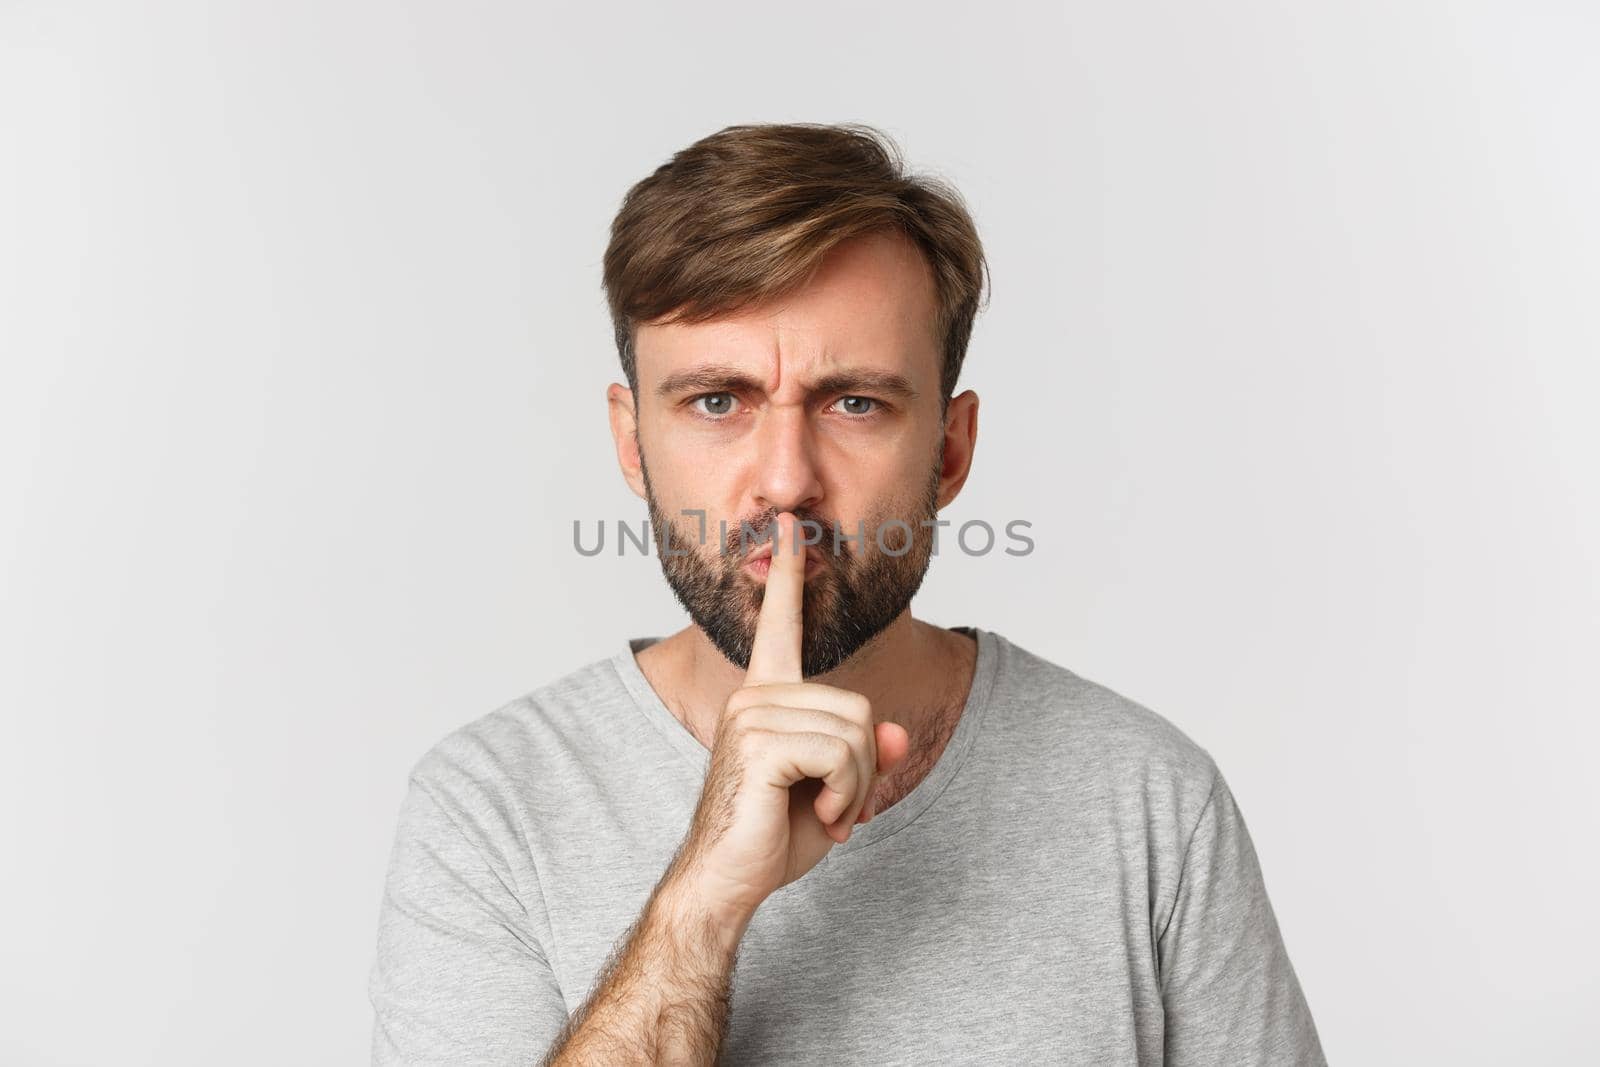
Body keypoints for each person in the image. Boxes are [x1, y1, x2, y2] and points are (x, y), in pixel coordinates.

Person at [367, 122, 1326, 1065]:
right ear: (631, 443)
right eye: (717, 400)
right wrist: (702, 902)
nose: (786, 480)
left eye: (854, 403)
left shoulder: (1148, 799)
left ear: (950, 450)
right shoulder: (489, 808)